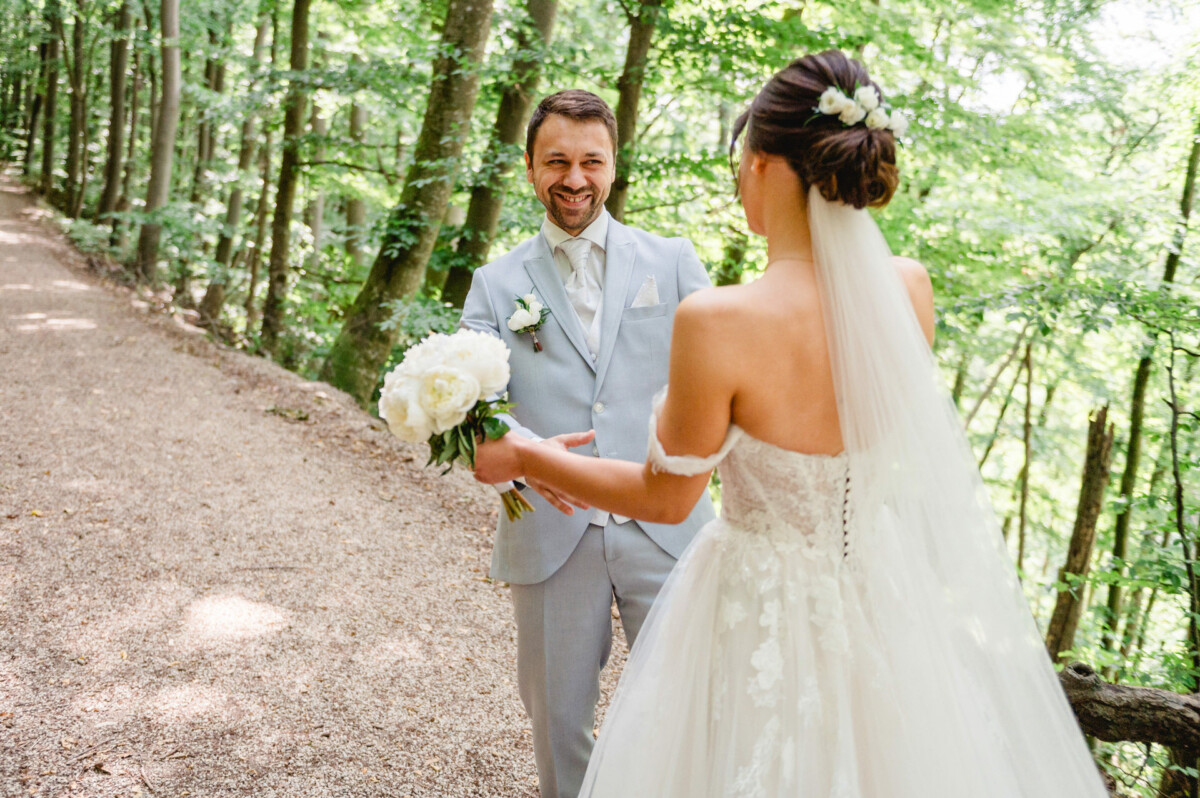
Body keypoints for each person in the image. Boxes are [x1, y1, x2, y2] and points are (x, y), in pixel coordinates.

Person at [473, 51, 1111, 796]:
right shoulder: (909, 290)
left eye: (742, 159)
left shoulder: (721, 320)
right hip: (881, 595)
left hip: (756, 607)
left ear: (766, 163)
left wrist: (525, 456)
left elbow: (667, 497)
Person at [459, 89, 715, 798]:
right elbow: (472, 408)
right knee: (558, 721)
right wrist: (525, 451)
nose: (574, 179)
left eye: (591, 161)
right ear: (529, 166)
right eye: (556, 161)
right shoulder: (495, 284)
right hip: (551, 528)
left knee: (691, 710)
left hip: (668, 526)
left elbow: (719, 375)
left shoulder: (672, 261)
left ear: (613, 165)